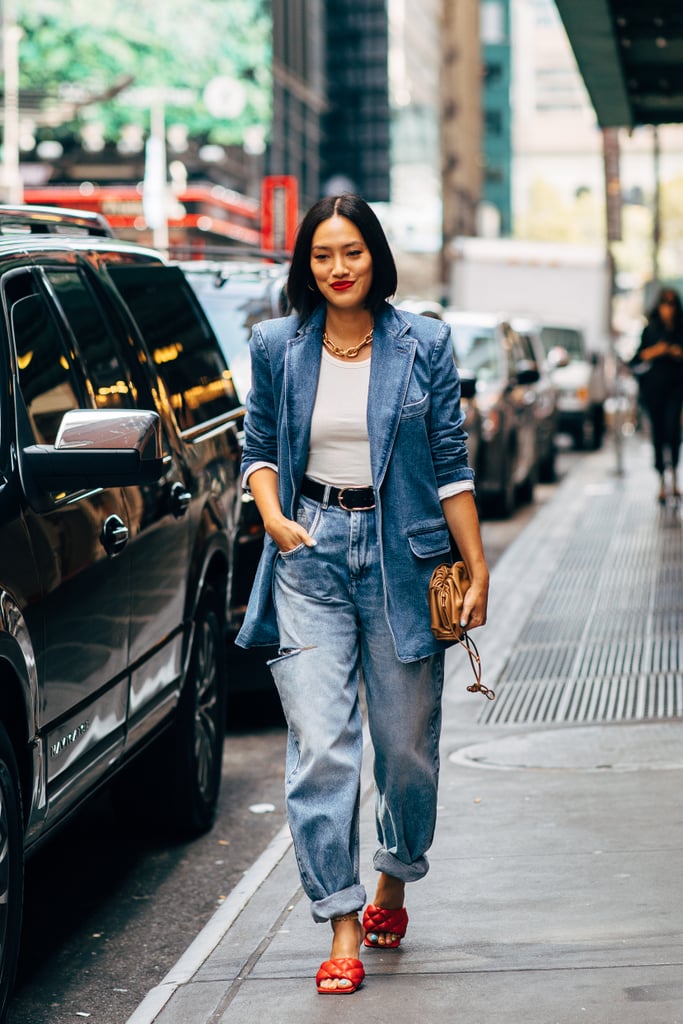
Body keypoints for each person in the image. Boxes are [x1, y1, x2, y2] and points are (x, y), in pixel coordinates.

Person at [235, 193, 489, 994]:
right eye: (322, 255)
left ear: (374, 256)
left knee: (405, 749)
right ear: (305, 266)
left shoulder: (423, 344)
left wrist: (476, 566)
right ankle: (341, 918)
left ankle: (392, 875)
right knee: (320, 748)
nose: (338, 268)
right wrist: (275, 519)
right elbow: (257, 448)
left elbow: (450, 464)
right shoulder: (277, 344)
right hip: (308, 552)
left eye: (351, 252)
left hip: (403, 560)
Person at [631, 287, 683, 503]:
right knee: (659, 433)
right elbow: (636, 358)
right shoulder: (650, 330)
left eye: (671, 305)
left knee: (673, 432)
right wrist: (658, 350)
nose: (667, 310)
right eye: (664, 304)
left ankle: (674, 478)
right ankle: (662, 478)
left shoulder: (681, 329)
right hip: (654, 390)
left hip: (677, 389)